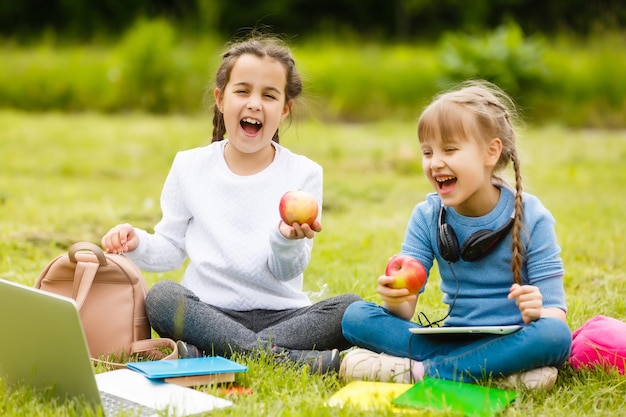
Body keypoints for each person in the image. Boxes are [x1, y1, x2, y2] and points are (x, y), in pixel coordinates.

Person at [101, 35, 360, 374]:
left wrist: (287, 240)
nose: (255, 103)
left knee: (352, 309)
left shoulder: (304, 172)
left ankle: (212, 354)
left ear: (284, 109)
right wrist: (136, 242)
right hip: (208, 313)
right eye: (243, 91)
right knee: (162, 297)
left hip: (284, 316)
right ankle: (289, 360)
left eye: (269, 95)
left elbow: (288, 271)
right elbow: (171, 247)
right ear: (221, 99)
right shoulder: (189, 166)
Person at [339, 80, 571, 389]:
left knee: (555, 336)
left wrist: (537, 310)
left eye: (449, 149)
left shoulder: (532, 216)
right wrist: (396, 298)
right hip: (451, 340)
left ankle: (422, 372)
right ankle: (490, 372)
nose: (435, 163)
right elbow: (405, 311)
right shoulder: (427, 215)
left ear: (491, 152)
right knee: (355, 316)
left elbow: (555, 316)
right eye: (427, 152)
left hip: (514, 339)